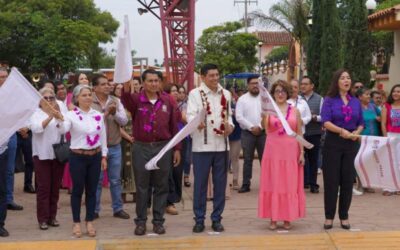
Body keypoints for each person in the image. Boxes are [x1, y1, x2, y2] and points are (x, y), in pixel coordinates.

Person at [121, 69, 181, 236]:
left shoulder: (168, 100)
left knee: (162, 186)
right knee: (142, 187)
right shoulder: (135, 100)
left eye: (156, 80)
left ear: (160, 82)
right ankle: (140, 222)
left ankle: (158, 221)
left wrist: (176, 149)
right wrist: (126, 81)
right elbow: (124, 97)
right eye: (150, 80)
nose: (154, 83)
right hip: (141, 148)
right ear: (143, 82)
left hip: (163, 148)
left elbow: (174, 127)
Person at [186, 64, 234, 233]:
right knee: (200, 185)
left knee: (220, 185)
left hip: (222, 145)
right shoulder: (194, 94)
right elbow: (190, 116)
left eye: (217, 75)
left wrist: (230, 126)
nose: (215, 78)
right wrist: (195, 123)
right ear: (203, 76)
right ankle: (199, 219)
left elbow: (229, 116)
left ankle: (216, 219)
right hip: (201, 146)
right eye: (211, 75)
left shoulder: (226, 94)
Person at [58, 85, 108, 237]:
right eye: (84, 95)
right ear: (77, 98)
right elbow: (63, 130)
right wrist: (59, 119)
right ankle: (76, 222)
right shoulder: (71, 115)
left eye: (89, 94)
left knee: (92, 191)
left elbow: (103, 137)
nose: (87, 97)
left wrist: (104, 156)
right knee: (77, 191)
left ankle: (90, 221)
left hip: (95, 156)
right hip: (78, 156)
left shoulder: (98, 114)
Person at [258, 80, 305, 230]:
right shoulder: (269, 111)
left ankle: (287, 217)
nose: (280, 94)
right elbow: (266, 130)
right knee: (273, 182)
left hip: (290, 152)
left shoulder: (295, 110)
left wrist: (302, 152)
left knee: (289, 184)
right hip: (273, 152)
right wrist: (263, 115)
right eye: (277, 91)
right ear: (273, 94)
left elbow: (299, 132)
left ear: (288, 93)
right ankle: (273, 217)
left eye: (283, 91)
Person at [321, 69, 364, 230]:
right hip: (333, 143)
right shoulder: (329, 100)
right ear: (336, 81)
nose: (346, 80)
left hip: (351, 144)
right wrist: (341, 131)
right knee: (331, 182)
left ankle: (344, 216)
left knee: (347, 181)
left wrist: (356, 133)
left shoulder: (355, 101)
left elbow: (361, 122)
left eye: (348, 78)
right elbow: (325, 121)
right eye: (343, 78)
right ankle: (329, 216)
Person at [91, 74, 130, 220]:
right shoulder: (89, 100)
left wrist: (115, 114)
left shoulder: (116, 101)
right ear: (95, 87)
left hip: (114, 146)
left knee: (115, 180)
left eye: (108, 84)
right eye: (103, 84)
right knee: (97, 180)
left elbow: (124, 121)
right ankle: (94, 210)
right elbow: (90, 121)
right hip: (96, 148)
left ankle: (118, 208)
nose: (107, 86)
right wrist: (106, 112)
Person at [30, 87, 66, 230]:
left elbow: (64, 130)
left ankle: (52, 217)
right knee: (44, 188)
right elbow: (36, 129)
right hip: (42, 154)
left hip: (57, 154)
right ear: (40, 101)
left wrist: (59, 117)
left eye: (52, 98)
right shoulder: (35, 113)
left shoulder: (59, 112)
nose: (49, 100)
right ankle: (43, 219)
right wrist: (50, 116)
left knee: (55, 188)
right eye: (46, 98)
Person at [235, 76, 265, 193]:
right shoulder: (242, 99)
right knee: (247, 159)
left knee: (265, 159)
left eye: (257, 83)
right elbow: (239, 116)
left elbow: (268, 114)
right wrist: (251, 127)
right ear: (248, 85)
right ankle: (246, 184)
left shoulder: (265, 98)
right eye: (252, 83)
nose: (255, 85)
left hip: (263, 133)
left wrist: (260, 126)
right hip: (248, 133)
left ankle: (268, 184)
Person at [300, 76, 323, 194]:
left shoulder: (319, 99)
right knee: (301, 158)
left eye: (305, 84)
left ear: (312, 86)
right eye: (302, 84)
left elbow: (324, 116)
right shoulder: (297, 99)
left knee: (314, 159)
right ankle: (304, 182)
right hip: (300, 134)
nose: (303, 86)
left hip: (314, 133)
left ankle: (313, 184)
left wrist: (315, 117)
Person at [114, 84, 136, 203]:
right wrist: (128, 137)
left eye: (122, 88)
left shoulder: (133, 104)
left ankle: (135, 192)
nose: (120, 90)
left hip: (135, 139)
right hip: (121, 140)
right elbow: (115, 125)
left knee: (134, 166)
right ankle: (121, 195)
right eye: (118, 88)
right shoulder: (114, 105)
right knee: (122, 167)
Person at [381, 84, 400, 196]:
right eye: (394, 91)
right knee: (390, 161)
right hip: (391, 136)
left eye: (398, 91)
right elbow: (383, 124)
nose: (396, 93)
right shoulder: (386, 106)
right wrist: (385, 138)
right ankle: (389, 187)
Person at [0, 67, 10, 237]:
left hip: (2, 148)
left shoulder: (10, 97)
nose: (3, 79)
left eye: (5, 76)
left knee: (1, 188)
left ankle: (0, 223)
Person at [178, 86, 192, 188]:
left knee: (187, 157)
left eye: (184, 92)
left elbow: (186, 119)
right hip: (175, 135)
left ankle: (186, 176)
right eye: (180, 92)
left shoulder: (188, 106)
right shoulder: (172, 104)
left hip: (186, 134)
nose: (182, 94)